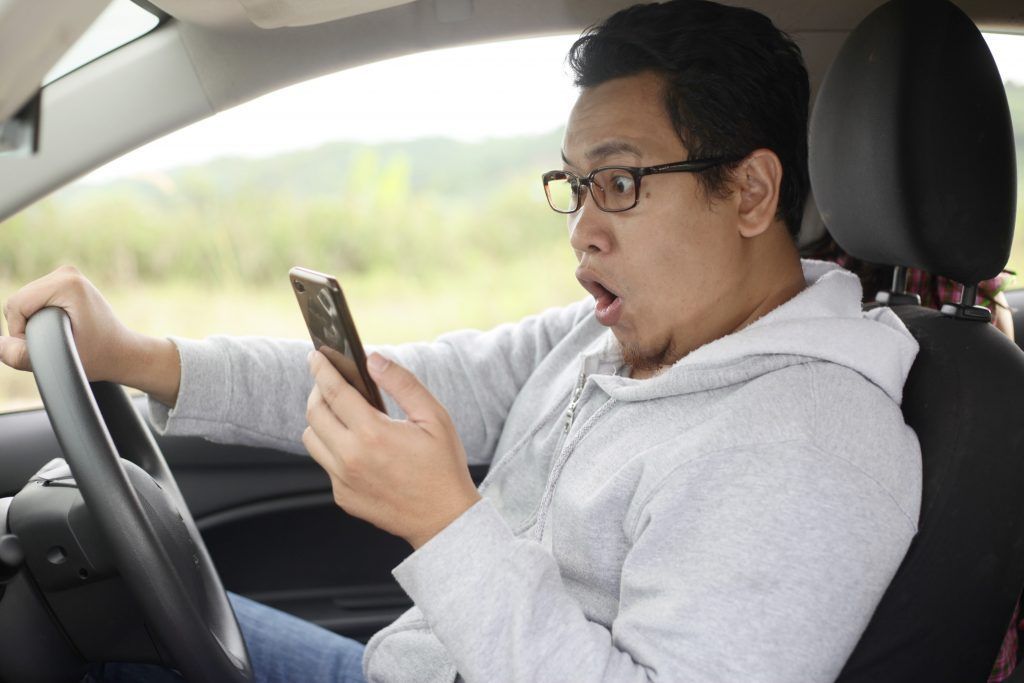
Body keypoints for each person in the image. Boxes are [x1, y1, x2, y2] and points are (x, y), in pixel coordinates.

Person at [0, 1, 923, 681]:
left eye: (622, 184)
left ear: (752, 193)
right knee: (85, 601)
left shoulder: (818, 441)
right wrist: (138, 354)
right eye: (575, 186)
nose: (582, 232)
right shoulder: (614, 336)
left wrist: (445, 523)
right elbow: (406, 381)